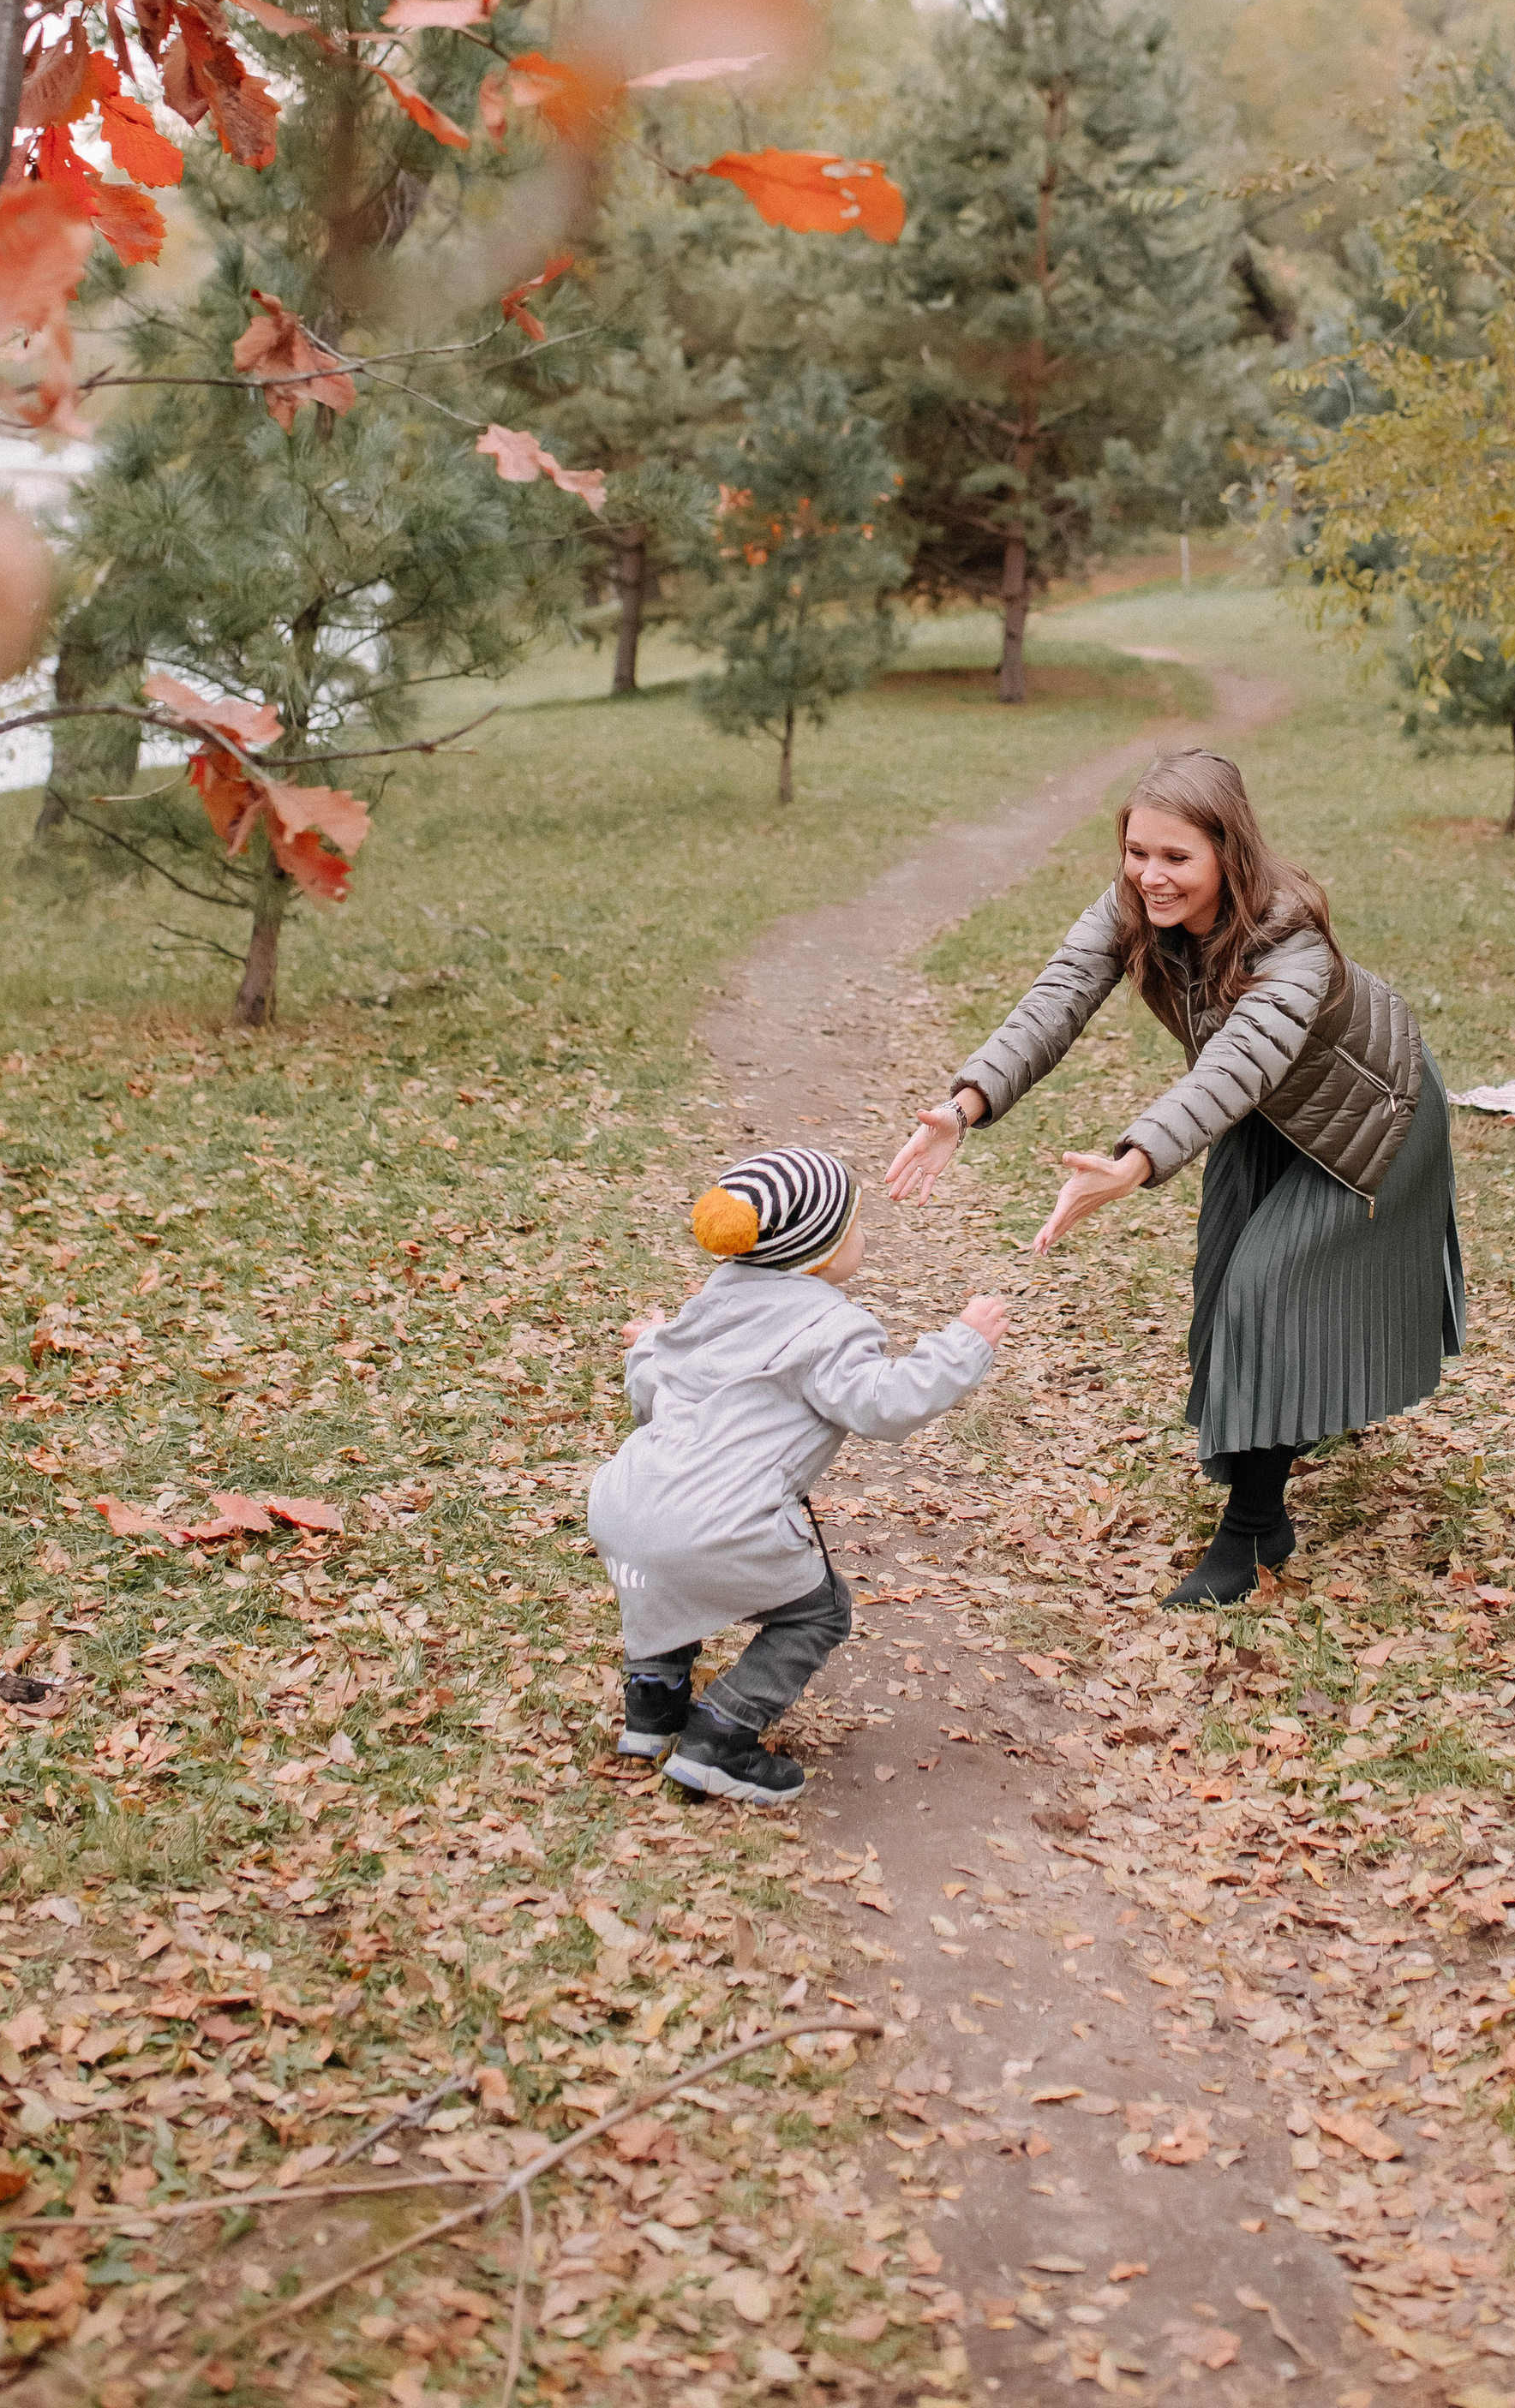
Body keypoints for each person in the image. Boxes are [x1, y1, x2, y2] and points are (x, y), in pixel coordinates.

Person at [888, 750, 1464, 1607]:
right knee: (1226, 1285)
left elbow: (1232, 1064)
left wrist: (1131, 1162)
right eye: (1136, 852)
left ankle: (1254, 1531)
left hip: (1370, 1123)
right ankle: (1273, 1459)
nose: (1149, 877)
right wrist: (964, 1106)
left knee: (1266, 1292)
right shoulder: (1133, 908)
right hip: (1266, 1112)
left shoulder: (1290, 943)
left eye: (1175, 858)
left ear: (1228, 856)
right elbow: (1058, 997)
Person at [591, 1144, 1010, 1807]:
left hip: (623, 1502)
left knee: (664, 1578)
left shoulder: (709, 1302)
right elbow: (884, 1405)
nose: (863, 1240)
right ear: (817, 1253)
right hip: (720, 1521)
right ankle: (722, 1736)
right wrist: (962, 1344)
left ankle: (652, 1712)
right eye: (855, 1227)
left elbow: (651, 1386)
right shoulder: (830, 1326)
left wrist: (646, 1342)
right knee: (818, 1613)